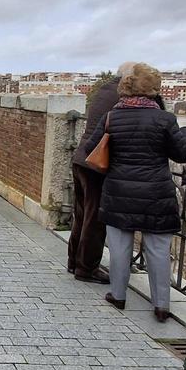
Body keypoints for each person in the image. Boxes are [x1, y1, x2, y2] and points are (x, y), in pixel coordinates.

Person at [81, 62, 186, 322]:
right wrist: (185, 134)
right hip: (157, 192)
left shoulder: (113, 116)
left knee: (119, 247)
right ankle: (162, 304)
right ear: (153, 90)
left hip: (118, 189)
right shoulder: (165, 119)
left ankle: (118, 295)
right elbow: (182, 153)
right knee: (158, 249)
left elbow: (90, 149)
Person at [67, 62, 134, 284]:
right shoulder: (122, 96)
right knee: (94, 219)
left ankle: (74, 260)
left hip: (81, 160)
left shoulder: (104, 89)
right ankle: (86, 268)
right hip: (97, 164)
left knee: (81, 215)